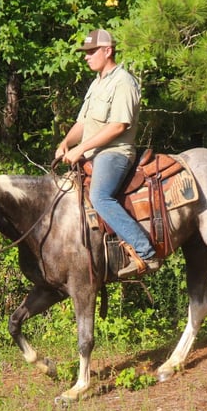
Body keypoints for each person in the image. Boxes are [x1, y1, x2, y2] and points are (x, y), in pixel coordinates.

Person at [55, 29, 160, 279]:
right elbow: (82, 123)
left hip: (114, 153)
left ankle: (146, 252)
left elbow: (118, 126)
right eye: (86, 52)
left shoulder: (123, 81)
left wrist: (81, 149)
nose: (86, 57)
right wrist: (66, 142)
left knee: (100, 196)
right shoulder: (97, 83)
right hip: (92, 153)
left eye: (91, 52)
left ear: (108, 51)